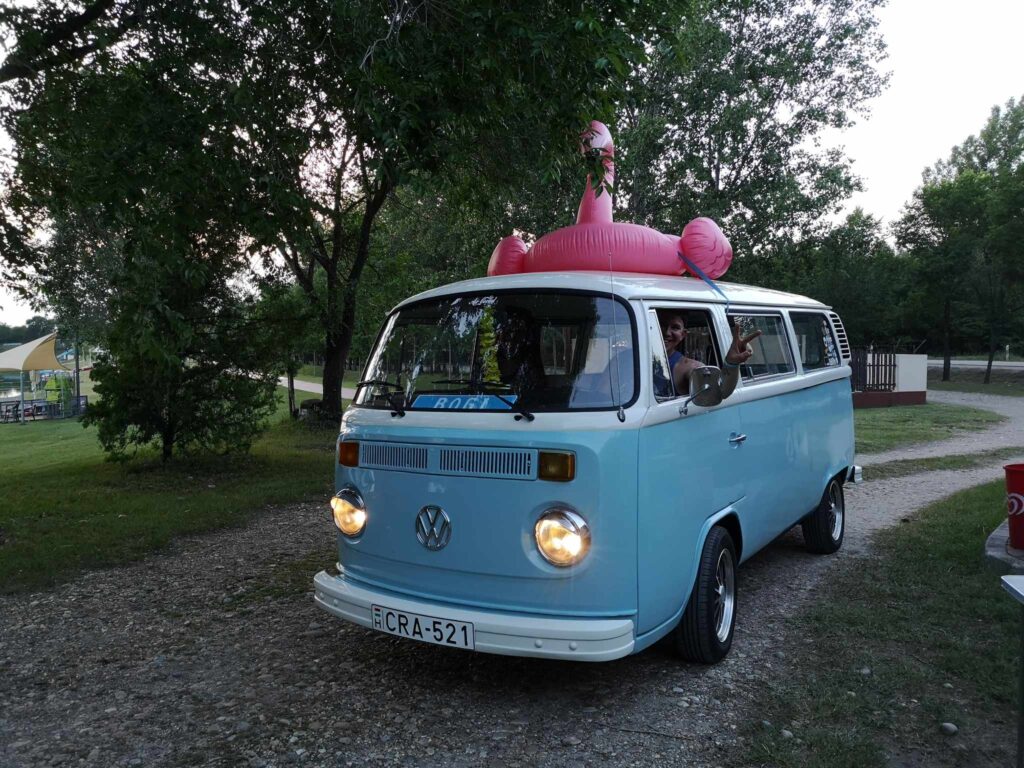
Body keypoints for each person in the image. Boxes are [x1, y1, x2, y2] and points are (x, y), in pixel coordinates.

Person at [658, 311, 762, 399]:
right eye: (661, 325)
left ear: (683, 334)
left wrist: (731, 364)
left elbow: (719, 392)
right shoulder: (648, 360)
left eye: (675, 328)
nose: (667, 332)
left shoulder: (688, 367)